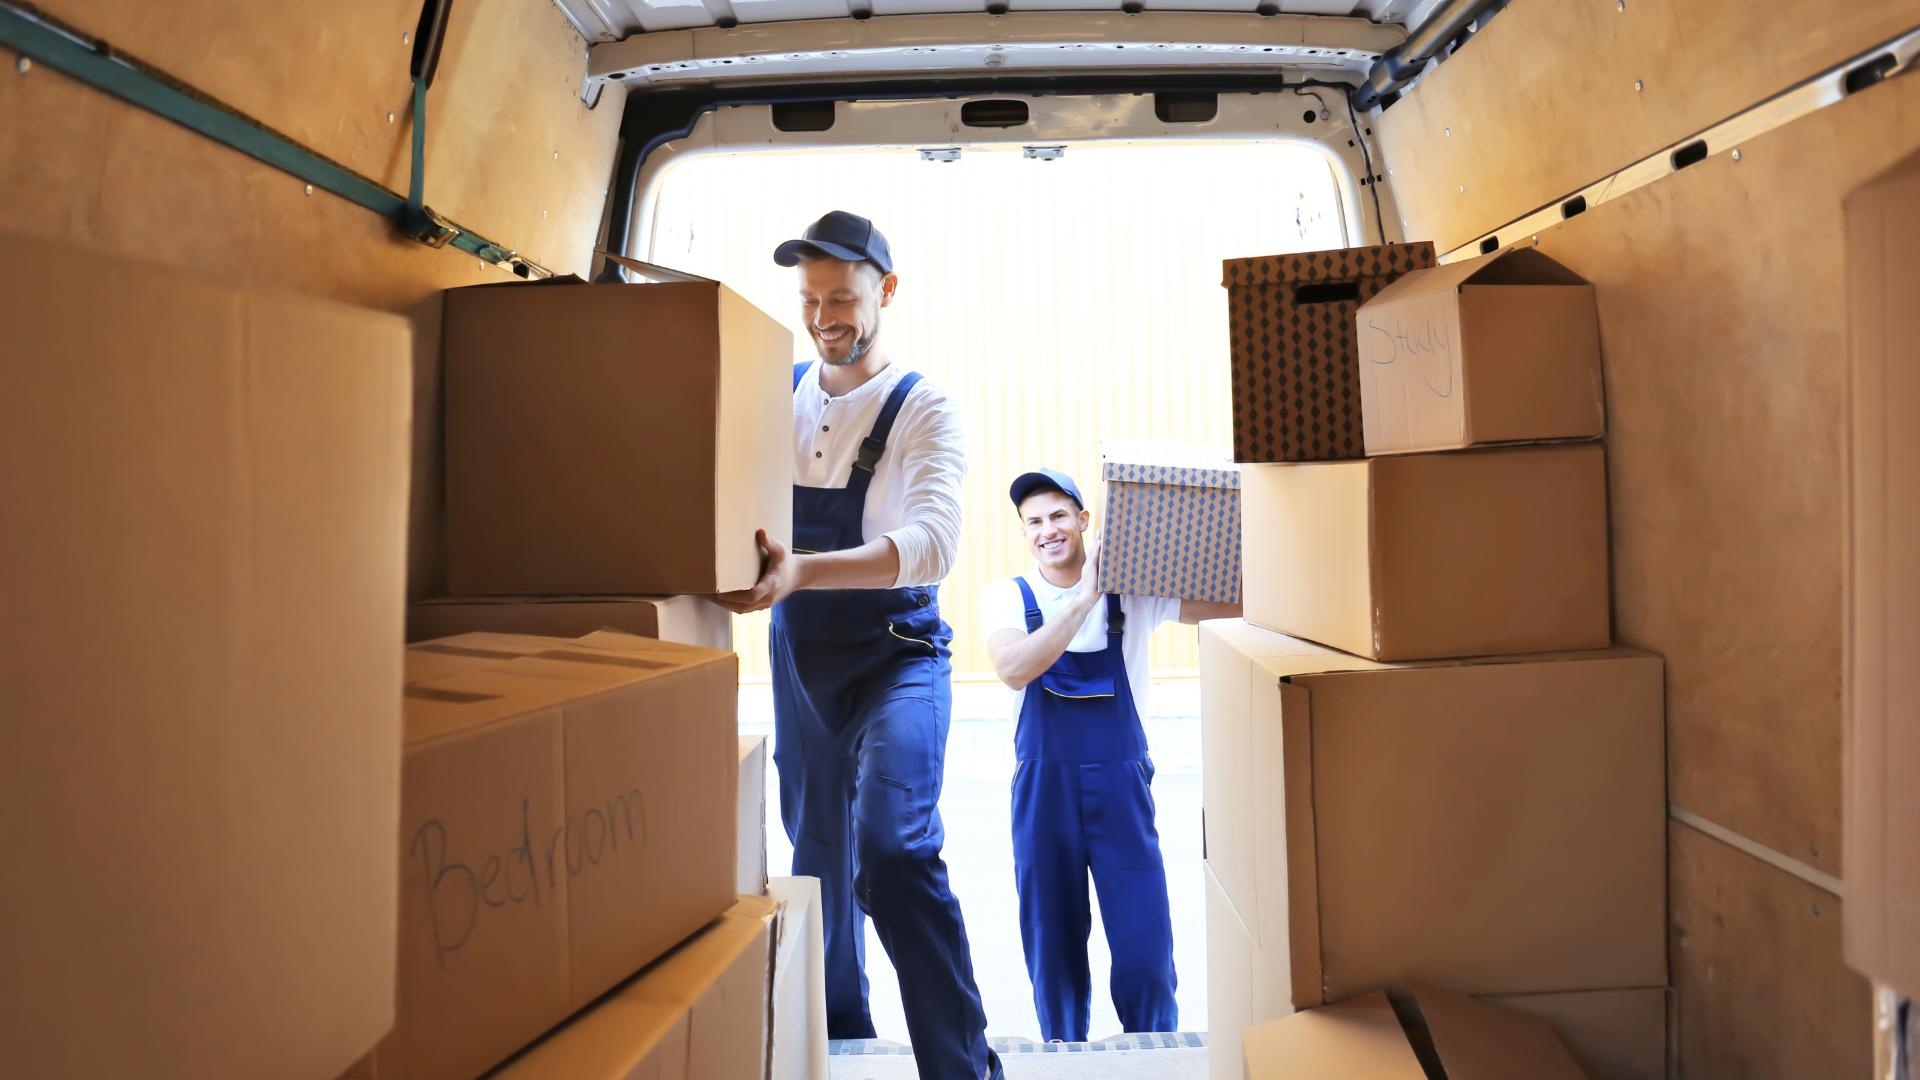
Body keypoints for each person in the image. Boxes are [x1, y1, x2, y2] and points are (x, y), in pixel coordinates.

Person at [713, 211, 999, 1080]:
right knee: (817, 860)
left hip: (899, 659)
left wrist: (800, 572)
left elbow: (935, 544)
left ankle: (962, 1070)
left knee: (894, 849)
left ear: (886, 291)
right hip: (801, 664)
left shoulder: (924, 407)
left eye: (842, 296)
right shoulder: (779, 392)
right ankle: (839, 1037)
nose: (824, 314)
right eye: (809, 298)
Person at [981, 468, 1241, 1043]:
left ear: (1084, 520)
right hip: (1043, 793)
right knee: (1054, 945)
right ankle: (1065, 1055)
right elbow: (1014, 668)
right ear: (1024, 533)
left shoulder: (1136, 593)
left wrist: (1194, 532)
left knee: (1146, 946)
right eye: (1034, 521)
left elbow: (1239, 601)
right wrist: (1085, 595)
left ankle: (1154, 1054)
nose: (1048, 530)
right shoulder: (1007, 597)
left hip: (1122, 791)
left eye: (1058, 515)